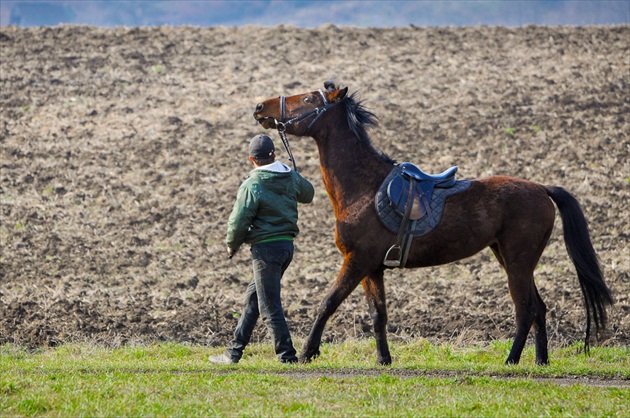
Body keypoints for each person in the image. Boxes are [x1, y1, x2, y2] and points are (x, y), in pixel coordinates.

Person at [210, 134, 315, 364]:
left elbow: (238, 220)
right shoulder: (289, 177)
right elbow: (309, 194)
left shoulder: (252, 185)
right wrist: (294, 173)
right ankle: (233, 353)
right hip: (286, 248)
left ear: (251, 159)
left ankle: (287, 357)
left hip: (265, 252)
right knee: (253, 300)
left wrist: (231, 245)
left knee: (268, 307)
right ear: (274, 155)